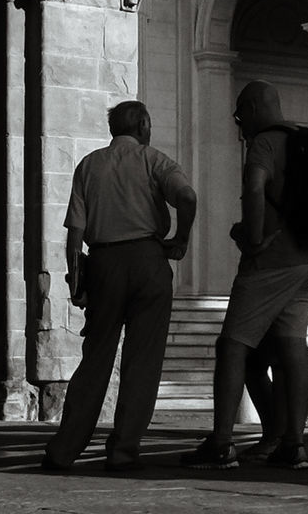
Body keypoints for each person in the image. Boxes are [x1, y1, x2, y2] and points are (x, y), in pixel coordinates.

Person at [182, 79, 308, 472]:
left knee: (232, 346)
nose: (239, 126)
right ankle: (291, 444)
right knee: (292, 347)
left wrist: (253, 237)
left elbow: (255, 187)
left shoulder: (263, 143)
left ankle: (221, 443)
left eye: (238, 116)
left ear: (249, 109)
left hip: (272, 262)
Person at [42, 100, 198, 473]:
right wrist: (181, 238)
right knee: (142, 363)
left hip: (105, 264)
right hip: (148, 261)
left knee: (95, 359)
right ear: (144, 124)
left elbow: (75, 233)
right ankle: (124, 449)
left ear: (114, 128)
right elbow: (188, 197)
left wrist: (77, 281)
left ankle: (65, 449)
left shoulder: (89, 165)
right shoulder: (154, 160)